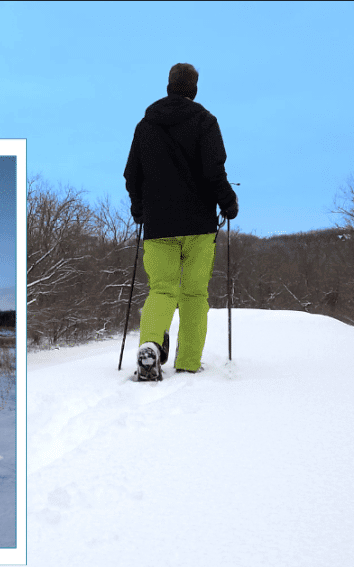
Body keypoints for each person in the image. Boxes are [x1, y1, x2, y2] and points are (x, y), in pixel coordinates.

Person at [123, 63, 238, 381]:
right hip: (199, 224)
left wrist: (139, 210)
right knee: (194, 294)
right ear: (194, 89)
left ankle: (150, 347)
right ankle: (188, 361)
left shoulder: (145, 126)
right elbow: (214, 171)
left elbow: (132, 175)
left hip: (159, 226)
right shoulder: (205, 122)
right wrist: (228, 203)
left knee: (161, 289)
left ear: (169, 86)